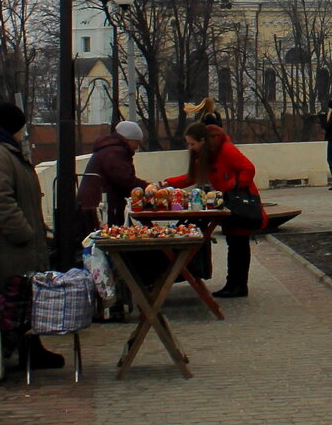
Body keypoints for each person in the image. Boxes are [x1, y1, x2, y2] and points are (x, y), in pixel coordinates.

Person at [0, 102, 63, 369]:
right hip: (8, 245)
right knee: (16, 299)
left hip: (13, 244)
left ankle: (32, 348)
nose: (23, 134)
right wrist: (23, 233)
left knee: (24, 298)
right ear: (13, 128)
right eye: (21, 129)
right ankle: (26, 351)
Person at [163, 122, 265, 297]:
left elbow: (248, 168)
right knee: (234, 243)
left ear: (202, 141)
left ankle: (238, 285)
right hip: (229, 202)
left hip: (238, 202)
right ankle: (234, 284)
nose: (190, 147)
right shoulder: (209, 153)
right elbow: (192, 177)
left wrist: (231, 187)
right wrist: (166, 183)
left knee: (238, 243)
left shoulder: (225, 149)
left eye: (192, 143)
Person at [77, 121, 149, 230]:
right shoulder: (114, 152)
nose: (136, 147)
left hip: (91, 204)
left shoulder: (109, 150)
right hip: (100, 207)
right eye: (136, 142)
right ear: (129, 139)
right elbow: (125, 180)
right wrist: (146, 187)